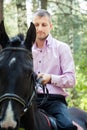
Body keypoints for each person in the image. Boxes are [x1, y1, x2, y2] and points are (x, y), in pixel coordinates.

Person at [32, 9, 77, 130]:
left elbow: (71, 80)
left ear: (51, 26)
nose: (40, 28)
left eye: (44, 24)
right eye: (36, 25)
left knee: (67, 126)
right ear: (31, 26)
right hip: (30, 100)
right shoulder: (26, 50)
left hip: (55, 101)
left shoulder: (62, 48)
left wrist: (51, 78)